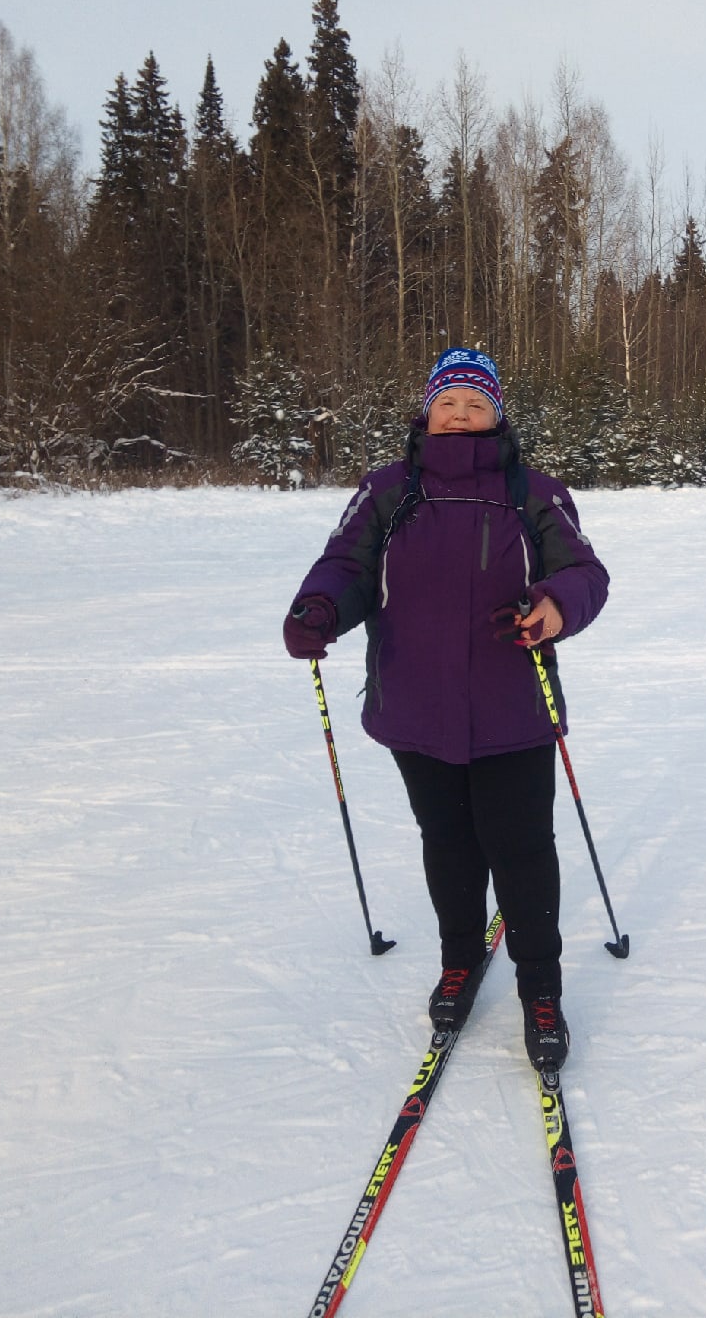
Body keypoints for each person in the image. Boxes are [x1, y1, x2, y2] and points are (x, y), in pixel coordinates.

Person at [283, 347, 609, 1069]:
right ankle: (459, 962)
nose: (461, 414)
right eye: (448, 402)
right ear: (427, 410)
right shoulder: (386, 491)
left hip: (513, 711)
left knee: (522, 851)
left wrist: (555, 607)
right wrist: (320, 607)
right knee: (448, 843)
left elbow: (584, 572)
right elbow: (347, 565)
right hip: (416, 708)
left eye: (476, 403)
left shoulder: (535, 492)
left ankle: (541, 989)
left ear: (497, 414)